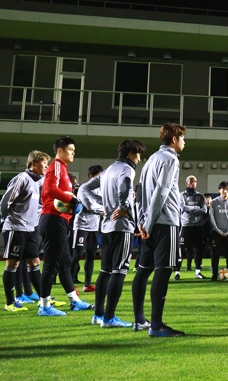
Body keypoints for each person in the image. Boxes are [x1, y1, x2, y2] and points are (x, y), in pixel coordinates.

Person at [80, 139, 146, 328]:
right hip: (121, 226)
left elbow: (84, 189)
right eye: (139, 154)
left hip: (106, 226)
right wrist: (124, 207)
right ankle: (109, 318)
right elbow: (125, 188)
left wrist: (99, 207)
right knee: (119, 270)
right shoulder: (126, 169)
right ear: (131, 153)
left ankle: (98, 315)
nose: (139, 159)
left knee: (105, 271)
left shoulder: (108, 170)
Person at [132, 123, 186, 337]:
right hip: (164, 222)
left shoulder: (151, 159)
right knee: (163, 272)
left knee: (143, 270)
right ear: (174, 139)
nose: (184, 142)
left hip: (149, 223)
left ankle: (139, 321)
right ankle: (156, 326)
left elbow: (140, 191)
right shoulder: (170, 159)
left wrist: (142, 221)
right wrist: (149, 221)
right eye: (182, 138)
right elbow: (161, 193)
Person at [38, 136, 93, 316]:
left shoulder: (62, 169)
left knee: (65, 264)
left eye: (74, 150)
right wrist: (72, 199)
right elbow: (49, 190)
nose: (73, 153)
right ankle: (44, 306)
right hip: (52, 220)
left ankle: (75, 301)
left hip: (59, 220)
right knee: (51, 265)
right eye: (70, 150)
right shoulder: (56, 166)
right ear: (59, 151)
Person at [0, 150, 50, 312]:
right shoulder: (22, 178)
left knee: (35, 263)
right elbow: (5, 201)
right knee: (12, 264)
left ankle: (44, 300)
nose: (46, 167)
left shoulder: (38, 181)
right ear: (33, 163)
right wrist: (5, 220)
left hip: (30, 229)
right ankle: (10, 302)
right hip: (16, 229)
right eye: (44, 163)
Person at [71, 165, 104, 292]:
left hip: (94, 227)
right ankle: (70, 284)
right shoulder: (83, 188)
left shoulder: (101, 190)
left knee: (91, 255)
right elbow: (89, 206)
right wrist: (105, 210)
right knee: (77, 254)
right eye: (98, 176)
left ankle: (87, 284)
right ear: (91, 176)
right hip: (81, 226)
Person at [174, 175, 209, 281]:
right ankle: (177, 272)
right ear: (186, 183)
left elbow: (204, 210)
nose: (193, 183)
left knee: (198, 249)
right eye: (191, 182)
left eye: (195, 182)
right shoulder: (181, 195)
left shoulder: (200, 196)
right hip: (186, 226)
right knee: (181, 249)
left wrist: (190, 209)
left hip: (197, 226)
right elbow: (182, 207)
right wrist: (196, 208)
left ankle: (198, 272)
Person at [209, 181, 228, 281]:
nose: (225, 191)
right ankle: (214, 275)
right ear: (219, 190)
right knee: (215, 255)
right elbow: (212, 218)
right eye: (223, 189)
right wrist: (219, 231)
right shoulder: (214, 202)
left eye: (227, 189)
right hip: (216, 233)